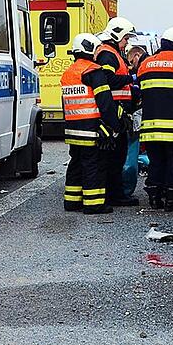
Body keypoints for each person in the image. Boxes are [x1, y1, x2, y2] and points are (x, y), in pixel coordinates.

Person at [61, 33, 121, 215]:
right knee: (94, 164)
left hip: (73, 129)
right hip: (92, 129)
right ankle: (93, 203)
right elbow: (105, 102)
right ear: (91, 50)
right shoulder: (93, 71)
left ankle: (71, 201)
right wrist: (115, 125)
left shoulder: (69, 73)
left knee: (76, 163)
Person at [138, 27, 173, 211]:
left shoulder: (146, 63)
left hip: (150, 127)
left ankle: (154, 197)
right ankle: (171, 198)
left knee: (156, 161)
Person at [95, 17, 140, 206]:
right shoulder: (108, 55)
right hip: (114, 112)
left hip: (117, 111)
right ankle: (116, 195)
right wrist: (131, 77)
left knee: (117, 156)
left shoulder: (112, 53)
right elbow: (107, 79)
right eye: (126, 38)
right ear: (116, 35)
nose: (127, 42)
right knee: (115, 157)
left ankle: (114, 193)